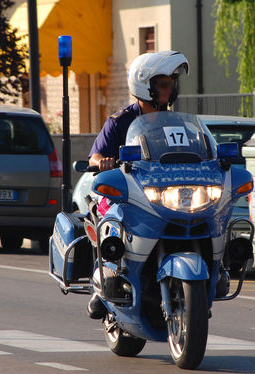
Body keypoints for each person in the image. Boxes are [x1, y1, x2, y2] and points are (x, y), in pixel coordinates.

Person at [87, 50, 189, 319]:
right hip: (128, 191)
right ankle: (102, 282)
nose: (170, 89)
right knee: (112, 220)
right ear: (146, 86)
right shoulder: (120, 121)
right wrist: (103, 162)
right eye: (164, 84)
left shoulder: (175, 123)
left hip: (161, 193)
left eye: (171, 84)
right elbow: (94, 154)